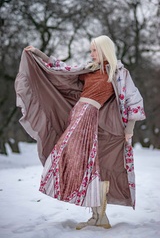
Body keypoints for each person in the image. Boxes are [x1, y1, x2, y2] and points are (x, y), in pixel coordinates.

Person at [15, 35, 146, 230]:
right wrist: (37, 53)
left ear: (104, 50)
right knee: (83, 164)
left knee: (72, 159)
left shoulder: (119, 73)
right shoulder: (89, 69)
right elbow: (60, 68)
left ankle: (98, 216)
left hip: (90, 116)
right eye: (91, 50)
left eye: (94, 50)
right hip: (77, 114)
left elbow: (133, 101)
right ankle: (97, 216)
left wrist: (129, 130)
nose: (91, 53)